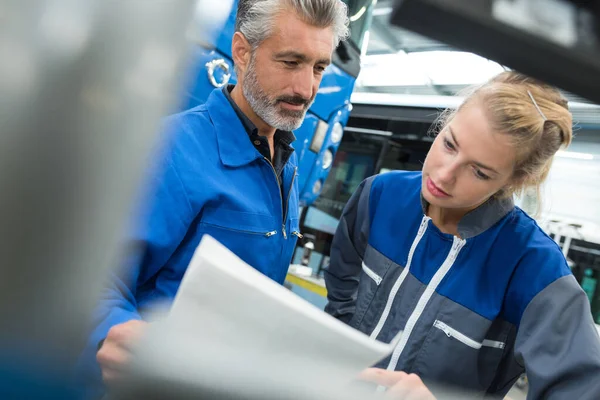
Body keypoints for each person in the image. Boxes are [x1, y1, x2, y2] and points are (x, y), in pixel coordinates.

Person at [78, 0, 349, 396]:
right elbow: (92, 284)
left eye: (319, 67)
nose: (307, 88)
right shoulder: (170, 150)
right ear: (242, 51)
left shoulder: (285, 165)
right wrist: (111, 334)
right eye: (291, 62)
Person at [325, 71, 600, 399]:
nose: (444, 174)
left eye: (480, 172)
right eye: (449, 144)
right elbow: (342, 293)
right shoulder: (379, 197)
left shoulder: (533, 270)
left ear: (514, 180)